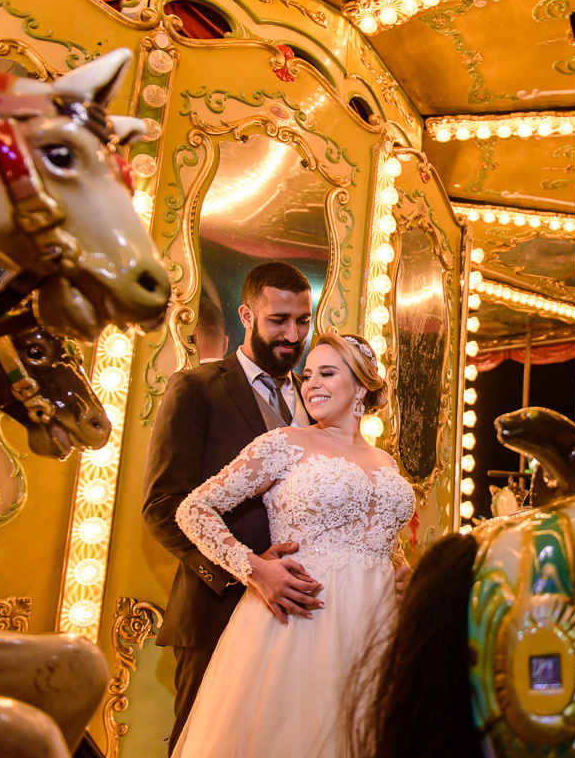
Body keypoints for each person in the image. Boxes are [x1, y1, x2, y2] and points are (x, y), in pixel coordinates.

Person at [170, 333, 415, 758]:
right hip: (304, 618)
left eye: (327, 373)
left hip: (376, 624)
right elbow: (193, 509)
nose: (312, 384)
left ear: (361, 386)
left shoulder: (385, 461)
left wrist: (401, 565)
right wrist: (252, 568)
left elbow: (376, 536)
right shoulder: (286, 444)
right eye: (308, 375)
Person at [142, 261, 322, 753]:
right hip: (216, 607)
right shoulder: (196, 389)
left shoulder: (315, 397)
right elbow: (162, 506)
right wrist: (245, 571)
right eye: (278, 320)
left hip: (299, 616)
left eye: (302, 321)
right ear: (247, 314)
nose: (292, 335)